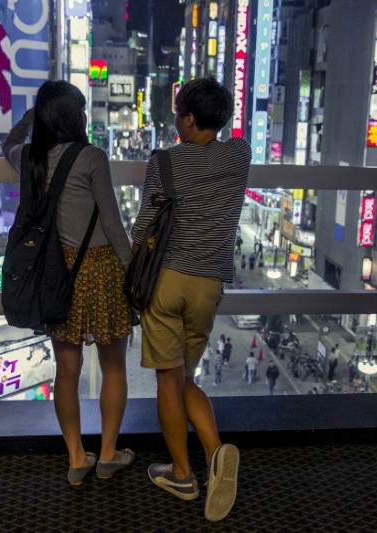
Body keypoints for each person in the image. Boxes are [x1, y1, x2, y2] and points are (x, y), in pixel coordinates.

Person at [2, 80, 135, 486]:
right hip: (98, 270)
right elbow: (112, 222)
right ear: (73, 116)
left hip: (54, 273)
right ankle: (109, 454)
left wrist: (32, 116)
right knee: (114, 368)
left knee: (66, 369)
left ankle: (77, 458)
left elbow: (6, 143)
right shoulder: (92, 156)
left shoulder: (29, 157)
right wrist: (133, 271)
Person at [131, 78, 249, 521]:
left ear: (190, 118)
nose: (175, 120)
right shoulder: (239, 155)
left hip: (167, 283)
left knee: (169, 380)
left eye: (179, 112)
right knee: (186, 379)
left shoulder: (164, 162)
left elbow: (143, 226)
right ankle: (216, 451)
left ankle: (182, 473)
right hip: (209, 285)